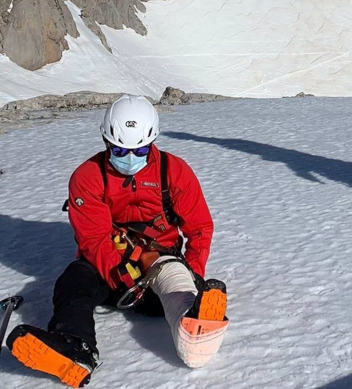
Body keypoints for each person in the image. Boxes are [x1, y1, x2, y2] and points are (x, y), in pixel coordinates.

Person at [5, 95, 228, 387]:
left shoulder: (174, 172)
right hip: (109, 268)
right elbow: (94, 239)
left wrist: (194, 271)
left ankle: (194, 320)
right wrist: (125, 273)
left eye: (141, 150)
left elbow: (199, 228)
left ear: (153, 142)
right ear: (106, 142)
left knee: (177, 282)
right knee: (74, 281)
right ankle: (75, 347)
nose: (130, 158)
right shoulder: (87, 178)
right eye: (120, 150)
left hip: (161, 261)